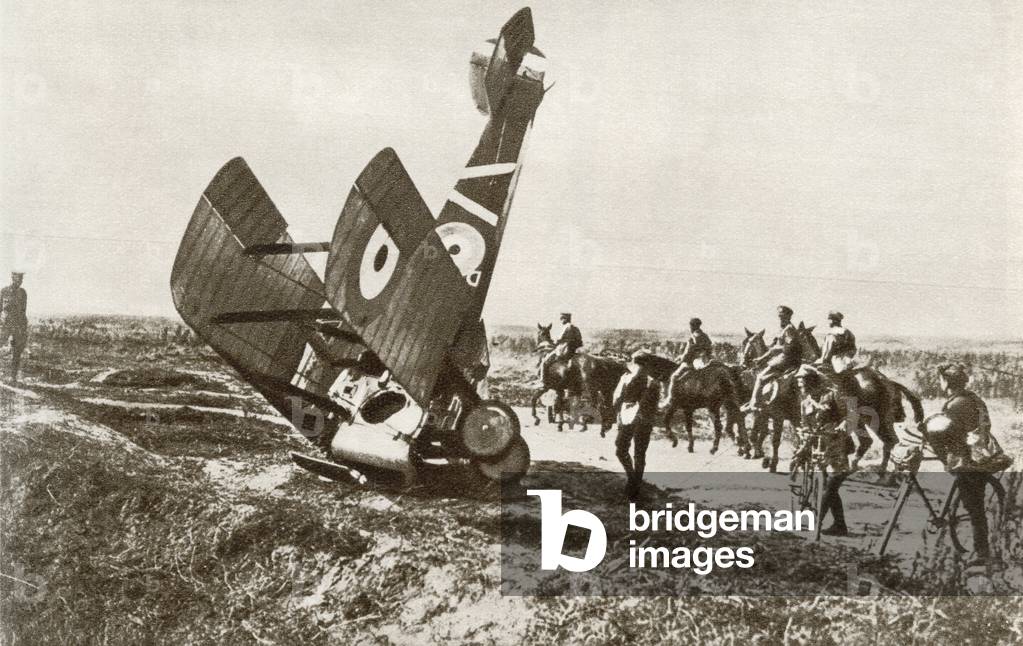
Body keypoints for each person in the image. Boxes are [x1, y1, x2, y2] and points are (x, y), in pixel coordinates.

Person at [933, 363, 993, 564]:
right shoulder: (973, 398)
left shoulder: (955, 405)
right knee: (975, 506)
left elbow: (948, 432)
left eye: (941, 379)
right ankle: (980, 551)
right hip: (980, 456)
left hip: (966, 460)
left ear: (947, 382)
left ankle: (982, 554)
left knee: (974, 508)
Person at [794, 364, 859, 536]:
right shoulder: (805, 403)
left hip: (837, 446)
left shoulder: (832, 395)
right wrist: (803, 435)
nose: (801, 387)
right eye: (799, 384)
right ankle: (840, 525)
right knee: (829, 488)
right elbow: (805, 425)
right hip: (818, 448)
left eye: (803, 383)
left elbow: (851, 415)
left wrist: (844, 424)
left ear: (812, 382)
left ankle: (817, 524)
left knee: (832, 484)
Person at [613, 349, 662, 499]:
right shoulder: (633, 378)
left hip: (636, 418)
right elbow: (618, 398)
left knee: (630, 451)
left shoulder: (644, 381)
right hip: (634, 418)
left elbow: (617, 399)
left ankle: (634, 483)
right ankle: (634, 481)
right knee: (630, 451)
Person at [743, 305, 801, 411]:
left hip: (786, 359)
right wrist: (761, 358)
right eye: (779, 316)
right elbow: (773, 348)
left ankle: (754, 404)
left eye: (782, 317)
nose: (780, 319)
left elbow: (789, 347)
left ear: (788, 317)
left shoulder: (789, 329)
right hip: (782, 358)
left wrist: (772, 352)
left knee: (760, 377)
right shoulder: (783, 329)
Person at [665, 317, 713, 404]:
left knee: (674, 377)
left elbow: (688, 353)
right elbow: (709, 349)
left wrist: (681, 359)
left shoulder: (693, 337)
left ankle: (670, 399)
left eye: (690, 326)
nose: (690, 328)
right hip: (705, 361)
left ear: (692, 326)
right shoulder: (705, 336)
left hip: (693, 363)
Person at [539, 312, 583, 384]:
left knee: (544, 362)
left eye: (561, 319)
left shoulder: (566, 327)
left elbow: (559, 339)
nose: (561, 320)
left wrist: (553, 342)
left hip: (563, 350)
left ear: (565, 319)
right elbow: (580, 341)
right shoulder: (575, 328)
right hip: (573, 351)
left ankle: (543, 381)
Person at [0, 271, 28, 384]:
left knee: (17, 351)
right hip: (6, 324)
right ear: (13, 278)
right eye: (18, 278)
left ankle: (13, 377)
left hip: (18, 325)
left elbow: (23, 311)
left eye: (21, 279)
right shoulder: (4, 291)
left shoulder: (23, 293)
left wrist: (24, 326)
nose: (20, 281)